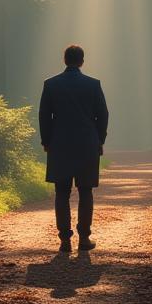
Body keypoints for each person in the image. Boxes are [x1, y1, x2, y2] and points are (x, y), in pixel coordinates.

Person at [38, 44, 109, 253]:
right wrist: (99, 140)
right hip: (87, 143)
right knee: (85, 191)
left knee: (61, 192)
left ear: (64, 60)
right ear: (82, 61)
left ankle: (64, 240)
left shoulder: (51, 85)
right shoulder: (93, 85)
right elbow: (103, 114)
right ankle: (84, 238)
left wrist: (46, 141)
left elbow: (44, 116)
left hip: (60, 143)